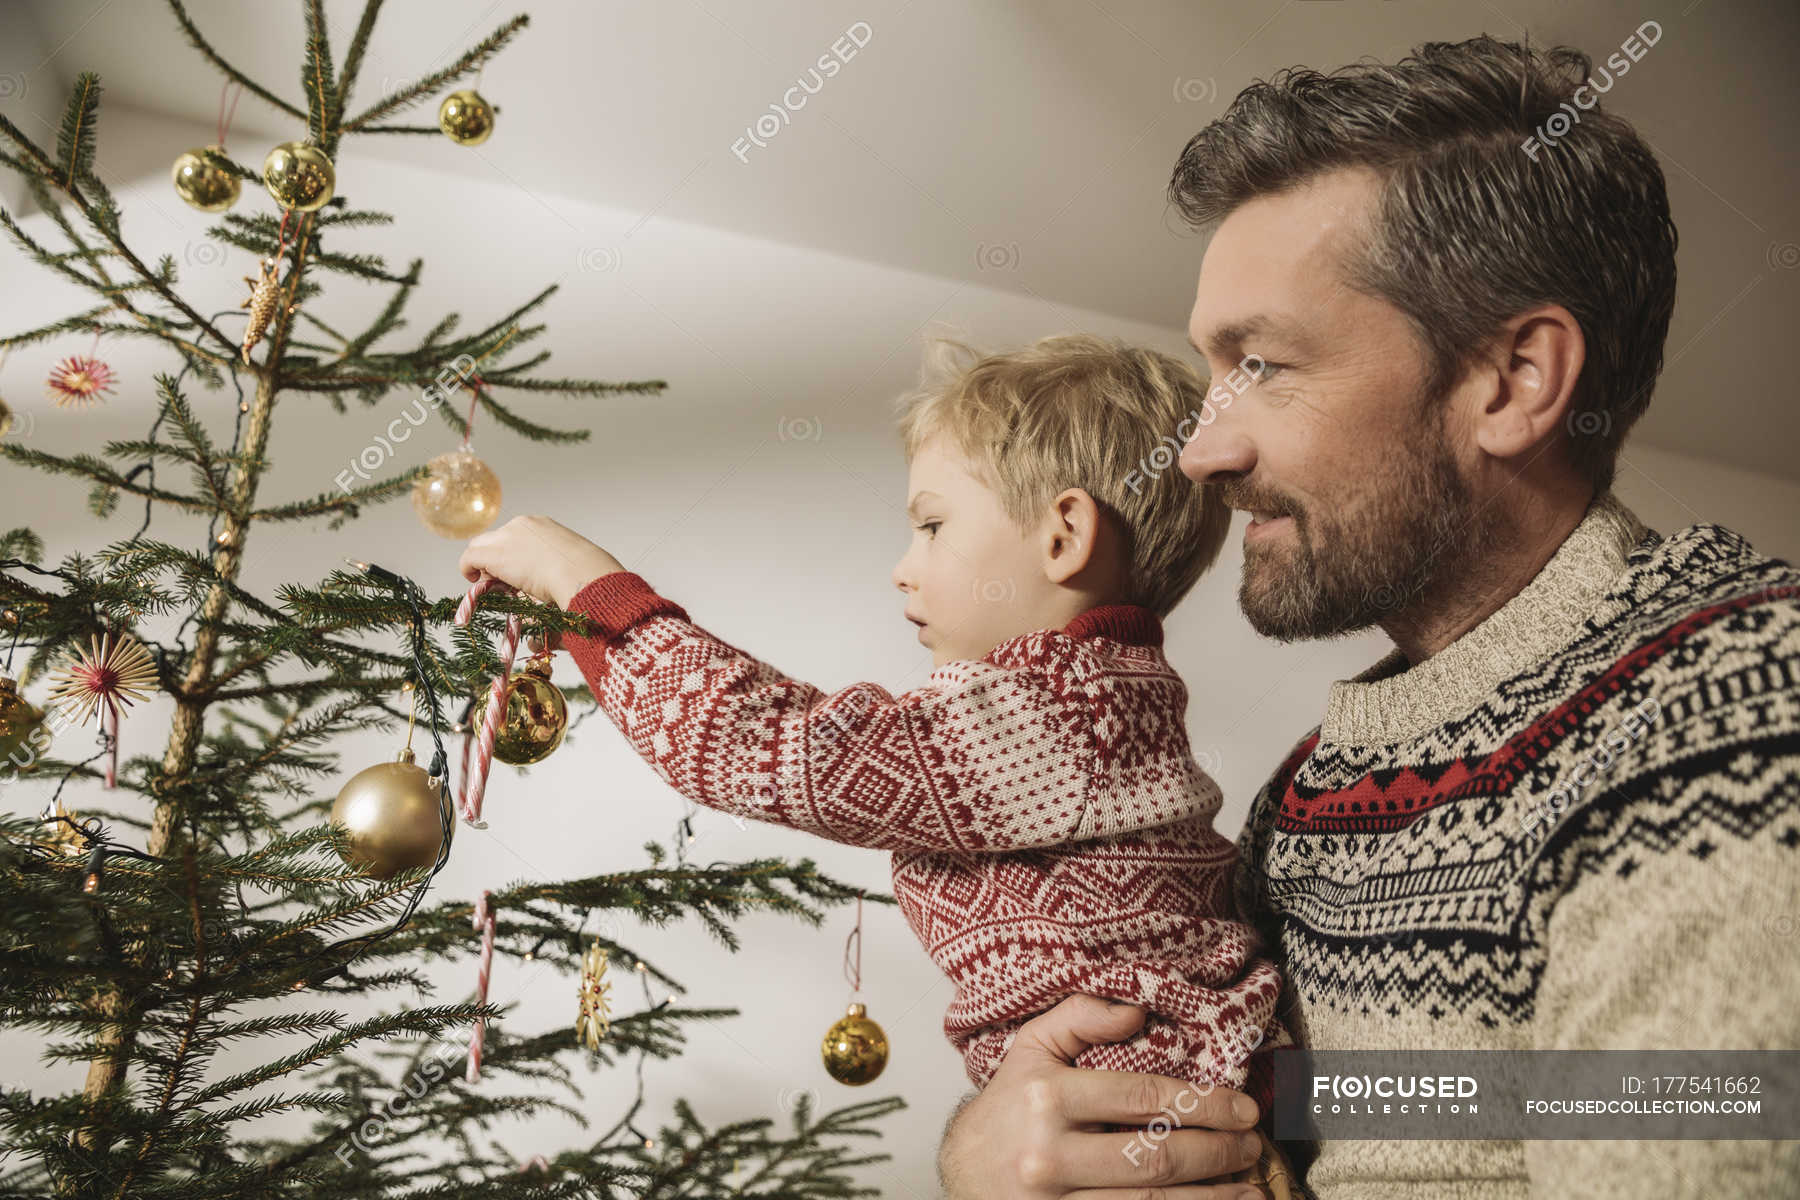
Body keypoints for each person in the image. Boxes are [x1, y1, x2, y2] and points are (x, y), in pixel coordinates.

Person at [935, 34, 1800, 1197]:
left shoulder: (1736, 705)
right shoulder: (1310, 798)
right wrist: (994, 1141)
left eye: (1266, 365)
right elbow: (1379, 1099)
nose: (1203, 449)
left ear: (1513, 380)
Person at [456, 334, 1299, 1197]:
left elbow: (762, 747)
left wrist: (592, 590)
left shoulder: (1055, 706)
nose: (903, 571)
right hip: (1184, 1095)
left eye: (932, 526)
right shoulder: (1107, 698)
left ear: (1064, 537)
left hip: (1157, 1117)